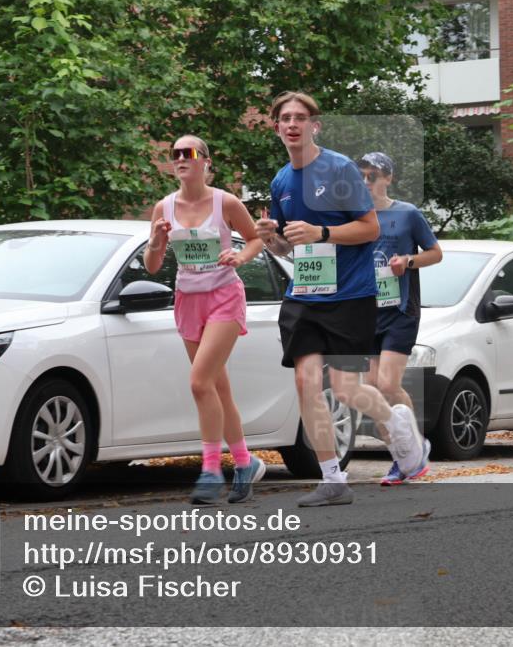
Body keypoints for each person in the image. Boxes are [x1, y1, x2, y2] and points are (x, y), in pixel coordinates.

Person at [254, 91, 430, 507]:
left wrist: (323, 233)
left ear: (315, 125)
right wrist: (272, 241)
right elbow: (287, 247)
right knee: (305, 381)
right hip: (305, 294)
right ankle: (332, 478)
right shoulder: (281, 180)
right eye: (285, 118)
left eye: (300, 117)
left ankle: (398, 425)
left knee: (347, 389)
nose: (292, 124)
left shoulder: (340, 169)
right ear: (276, 127)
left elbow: (369, 229)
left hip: (351, 294)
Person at [145, 135, 266, 503]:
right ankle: (244, 461)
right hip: (188, 300)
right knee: (218, 387)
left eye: (190, 152)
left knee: (200, 383)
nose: (182, 158)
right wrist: (154, 241)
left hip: (224, 298)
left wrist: (240, 257)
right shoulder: (163, 208)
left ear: (206, 162)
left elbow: (255, 239)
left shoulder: (225, 202)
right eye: (176, 154)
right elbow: (152, 266)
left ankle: (211, 469)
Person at [354, 152, 443, 484]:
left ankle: (413, 446)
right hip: (365, 311)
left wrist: (407, 261)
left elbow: (435, 253)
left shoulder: (407, 214)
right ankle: (402, 453)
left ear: (388, 178)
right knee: (372, 390)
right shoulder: (354, 218)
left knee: (388, 385)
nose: (366, 182)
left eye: (373, 175)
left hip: (400, 310)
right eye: (361, 175)